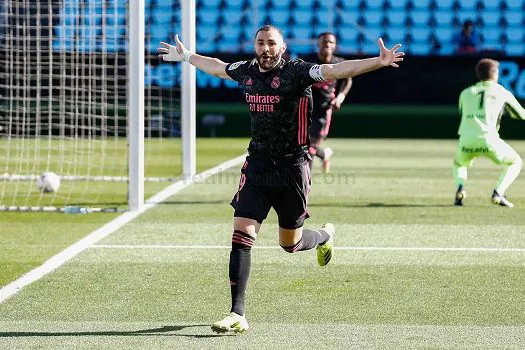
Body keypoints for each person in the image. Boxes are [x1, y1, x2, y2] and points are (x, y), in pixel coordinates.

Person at [158, 25, 404, 334]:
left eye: (271, 43)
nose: (265, 48)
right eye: (260, 42)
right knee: (241, 235)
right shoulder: (246, 70)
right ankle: (237, 313)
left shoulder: (298, 72)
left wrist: (377, 62)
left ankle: (324, 237)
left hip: (292, 168)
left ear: (282, 47)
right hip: (258, 165)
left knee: (291, 244)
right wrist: (188, 57)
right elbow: (219, 69)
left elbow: (336, 69)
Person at [453, 58, 525, 207]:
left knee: (460, 163)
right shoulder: (502, 92)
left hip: (466, 139)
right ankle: (498, 192)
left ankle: (460, 189)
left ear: (478, 74)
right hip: (489, 139)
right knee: (516, 162)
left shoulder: (465, 93)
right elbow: (521, 115)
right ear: (495, 74)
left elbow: (462, 112)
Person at [309, 32, 353, 173]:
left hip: (323, 110)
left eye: (331, 42)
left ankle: (304, 181)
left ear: (334, 45)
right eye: (324, 42)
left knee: (309, 146)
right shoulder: (309, 62)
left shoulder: (338, 63)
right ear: (318, 44)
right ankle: (324, 155)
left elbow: (348, 79)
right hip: (304, 108)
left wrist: (340, 97)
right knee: (301, 144)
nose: (327, 44)